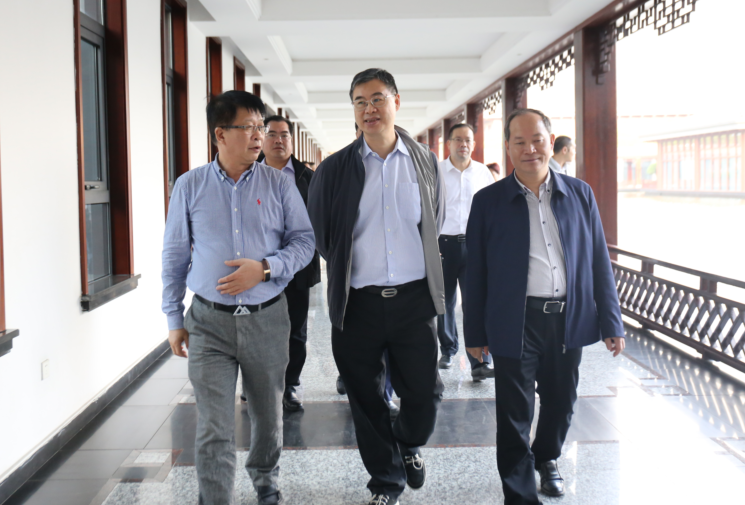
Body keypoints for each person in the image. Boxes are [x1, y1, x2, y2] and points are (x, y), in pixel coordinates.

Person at [162, 91, 315, 505]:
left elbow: (305, 242)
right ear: (220, 134)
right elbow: (174, 255)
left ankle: (266, 481)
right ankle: (215, 498)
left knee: (268, 416)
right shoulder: (189, 186)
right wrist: (174, 318)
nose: (259, 135)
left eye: (260, 127)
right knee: (214, 425)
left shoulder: (279, 183)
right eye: (248, 127)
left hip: (267, 318)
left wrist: (264, 268)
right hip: (208, 323)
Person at [465, 108, 625, 505]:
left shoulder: (580, 194)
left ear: (550, 143)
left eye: (537, 140)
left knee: (561, 402)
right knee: (514, 413)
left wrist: (612, 321)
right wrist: (474, 334)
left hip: (567, 319)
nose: (529, 149)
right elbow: (475, 272)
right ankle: (520, 495)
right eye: (519, 142)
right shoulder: (488, 202)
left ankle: (547, 457)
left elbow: (598, 260)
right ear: (508, 147)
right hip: (515, 320)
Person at [308, 68, 445, 505]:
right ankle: (386, 482)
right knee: (366, 401)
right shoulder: (334, 169)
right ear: (353, 109)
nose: (369, 109)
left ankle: (409, 439)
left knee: (424, 393)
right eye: (360, 101)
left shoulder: (424, 161)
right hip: (357, 304)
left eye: (377, 98)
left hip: (413, 301)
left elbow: (434, 220)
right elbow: (324, 235)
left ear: (396, 102)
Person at [335, 123, 400, 417]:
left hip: (400, 283)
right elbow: (325, 227)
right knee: (357, 347)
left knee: (391, 348)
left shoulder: (409, 163)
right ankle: (353, 380)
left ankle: (386, 394)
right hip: (357, 283)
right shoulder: (341, 168)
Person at [259, 114, 321, 412]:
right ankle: (258, 385)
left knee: (295, 330)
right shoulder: (248, 173)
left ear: (292, 141)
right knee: (259, 330)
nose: (278, 140)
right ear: (261, 138)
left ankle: (290, 385)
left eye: (284, 135)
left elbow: (320, 220)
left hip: (297, 267)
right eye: (272, 134)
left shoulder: (308, 177)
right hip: (259, 267)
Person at [437, 123, 495, 381]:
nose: (463, 144)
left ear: (473, 144)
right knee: (445, 302)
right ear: (449, 143)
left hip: (474, 246)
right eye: (458, 139)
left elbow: (493, 211)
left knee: (476, 302)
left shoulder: (482, 173)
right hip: (443, 245)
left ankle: (479, 361)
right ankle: (448, 350)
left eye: (468, 140)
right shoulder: (437, 171)